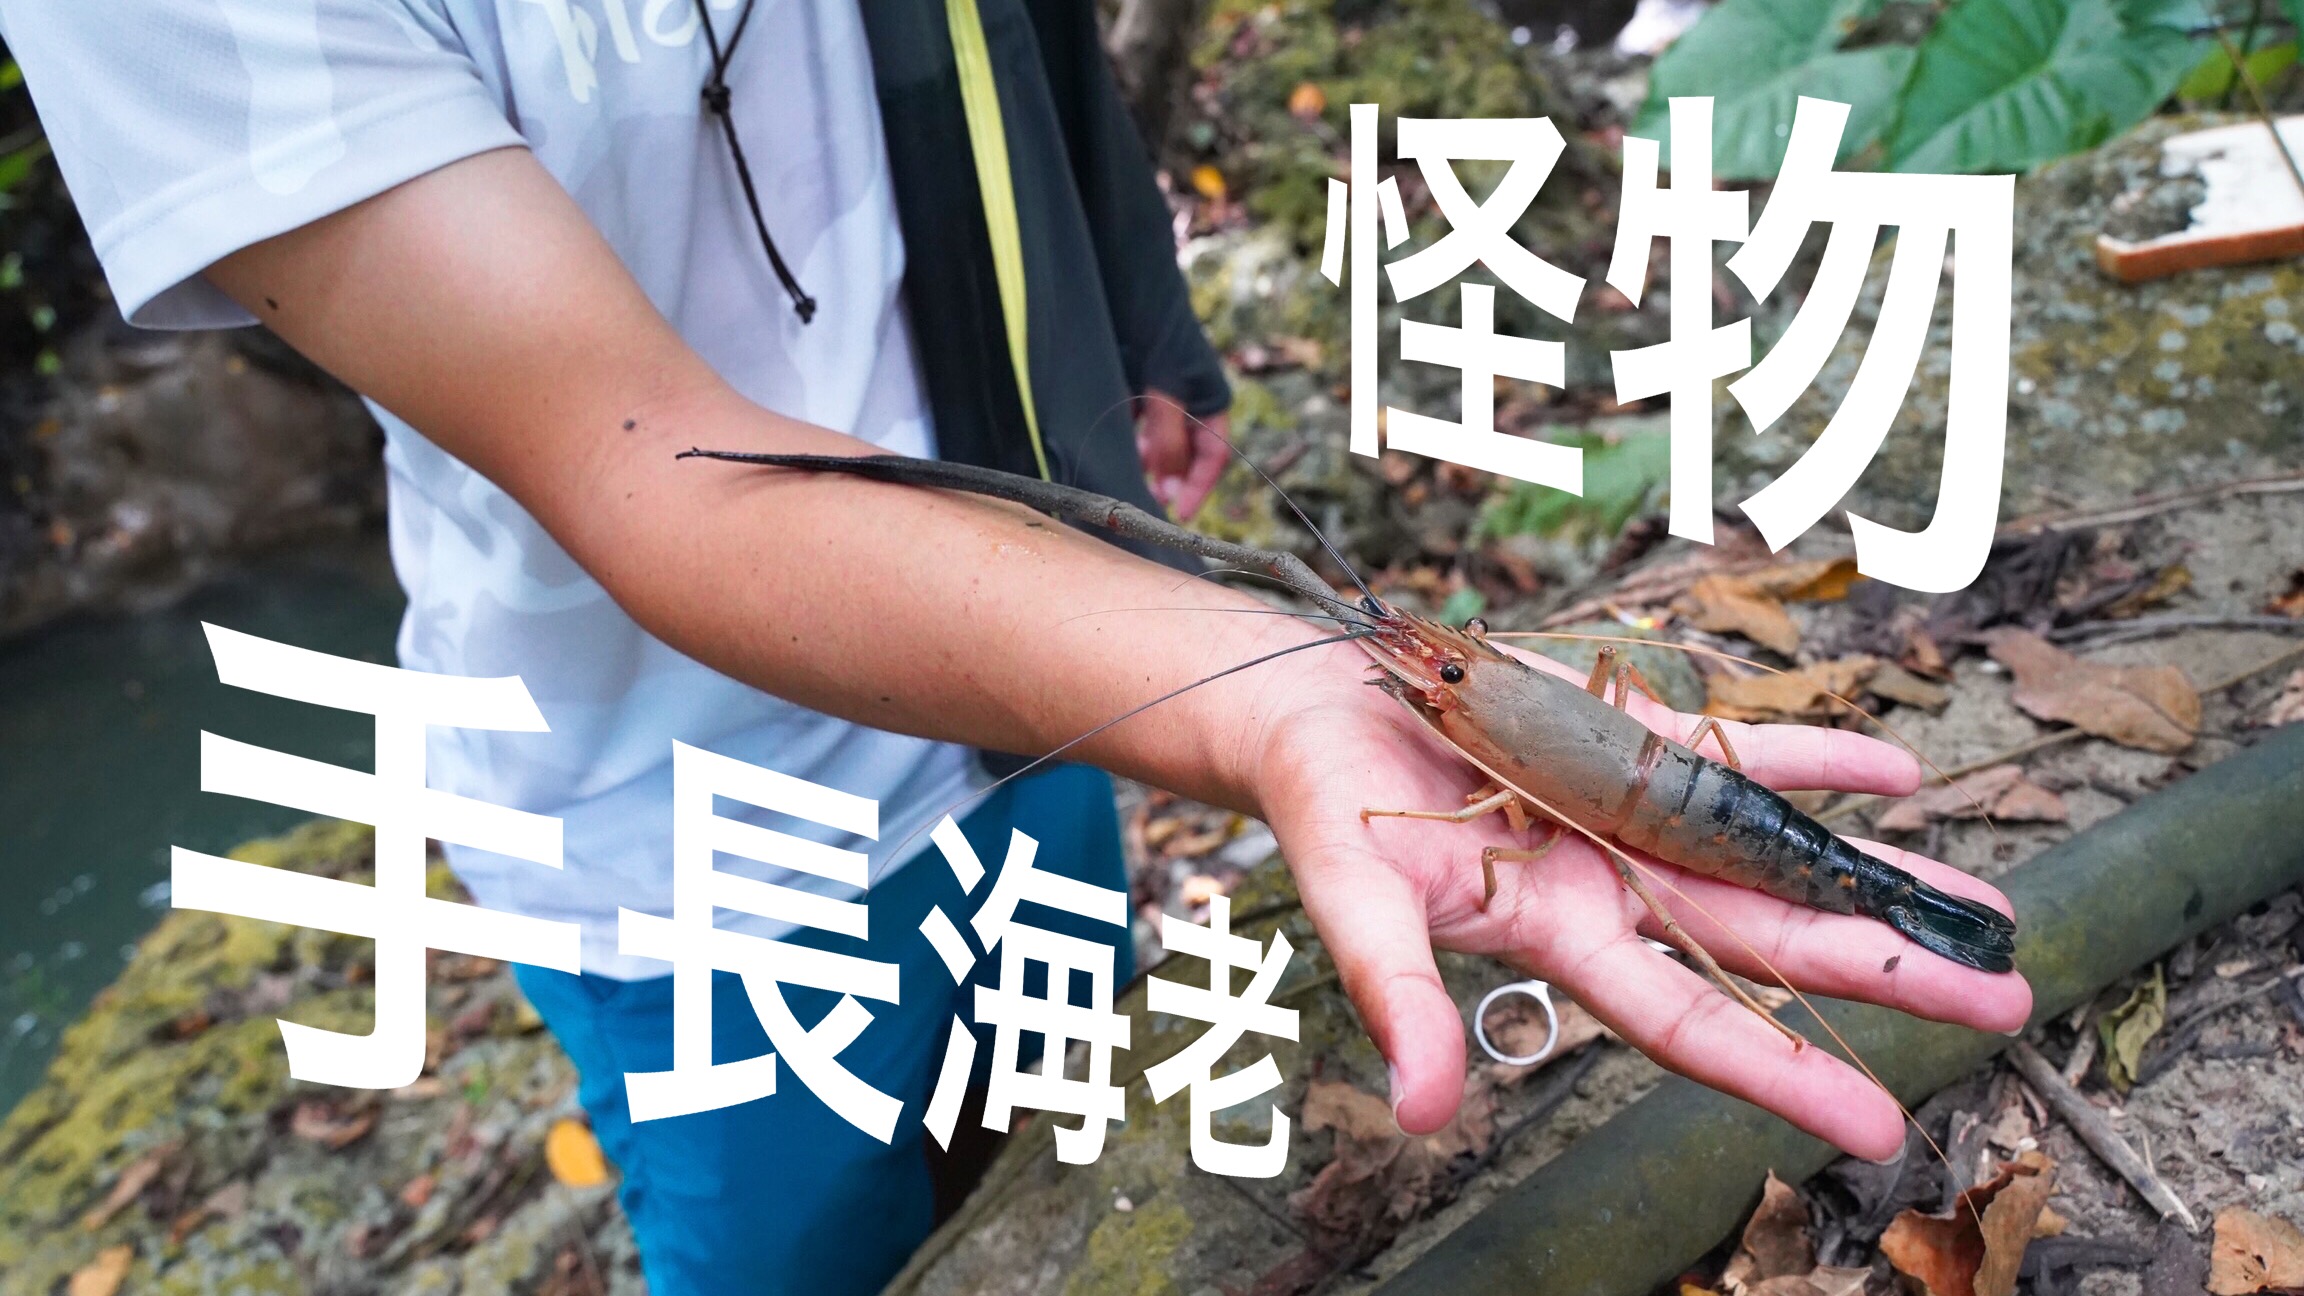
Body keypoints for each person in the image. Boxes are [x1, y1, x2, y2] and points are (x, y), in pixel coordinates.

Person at [0, 0, 2033, 1291]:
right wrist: (1279, 689)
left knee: (1052, 1107)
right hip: (669, 823)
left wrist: (1135, 324)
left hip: (1038, 716)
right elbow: (645, 459)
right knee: (789, 1255)